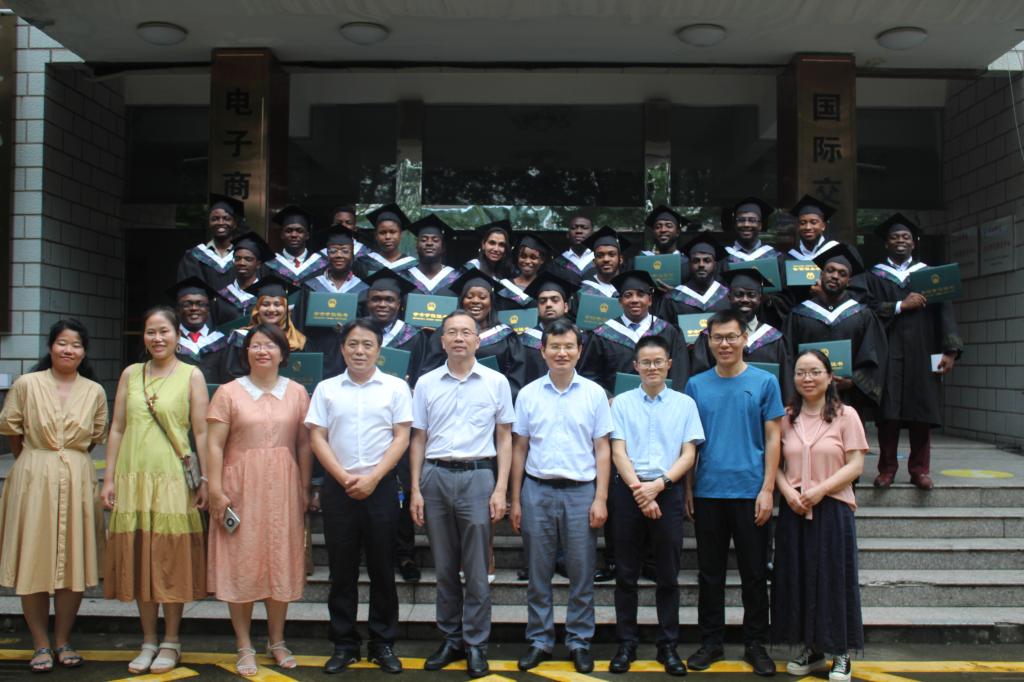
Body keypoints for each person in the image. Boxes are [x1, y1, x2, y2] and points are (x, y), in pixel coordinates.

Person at [101, 306, 209, 675]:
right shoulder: (130, 374)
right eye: (151, 332)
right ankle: (148, 640)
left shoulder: (192, 375)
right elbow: (117, 427)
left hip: (172, 480)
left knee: (170, 559)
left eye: (164, 331)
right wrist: (109, 478)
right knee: (140, 558)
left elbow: (202, 431)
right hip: (133, 478)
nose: (158, 338)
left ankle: (171, 640)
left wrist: (206, 480)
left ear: (178, 335)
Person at [408, 310, 515, 679]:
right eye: (451, 332)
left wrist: (501, 488)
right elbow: (418, 438)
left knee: (477, 569)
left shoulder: (496, 382)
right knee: (444, 567)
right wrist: (416, 489)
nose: (458, 338)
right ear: (442, 341)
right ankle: (451, 638)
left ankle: (476, 643)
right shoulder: (426, 383)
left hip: (478, 476)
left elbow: (505, 437)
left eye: (466, 332)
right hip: (435, 476)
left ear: (477, 340)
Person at [304, 319, 412, 674]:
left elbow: (402, 437)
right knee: (342, 570)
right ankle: (344, 644)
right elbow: (317, 436)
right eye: (353, 344)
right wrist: (342, 476)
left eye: (367, 345)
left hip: (381, 488)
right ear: (342, 348)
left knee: (382, 568)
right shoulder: (327, 389)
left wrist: (374, 478)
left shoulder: (395, 388)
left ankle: (382, 643)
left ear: (379, 350)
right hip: (339, 488)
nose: (360, 351)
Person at [0, 319, 108, 672]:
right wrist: (38, 461)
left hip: (77, 478)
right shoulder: (27, 384)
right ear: (50, 347)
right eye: (62, 343)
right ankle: (40, 643)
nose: (68, 350)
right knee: (32, 559)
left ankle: (62, 639)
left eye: (76, 345)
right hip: (33, 476)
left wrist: (67, 460)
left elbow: (94, 437)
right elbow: (13, 430)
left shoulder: (94, 391)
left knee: (73, 562)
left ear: (84, 352)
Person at [206, 323, 312, 676]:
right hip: (239, 487)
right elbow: (214, 444)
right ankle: (244, 645)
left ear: (283, 353)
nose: (262, 351)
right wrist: (215, 489)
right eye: (255, 345)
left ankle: (277, 641)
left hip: (284, 487)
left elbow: (304, 444)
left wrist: (305, 486)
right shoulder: (229, 392)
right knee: (242, 563)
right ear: (246, 352)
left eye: (270, 345)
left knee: (279, 561)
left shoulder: (297, 392)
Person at [683, 308, 784, 677]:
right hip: (709, 491)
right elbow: (690, 443)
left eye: (731, 337)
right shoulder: (696, 385)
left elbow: (773, 439)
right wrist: (689, 487)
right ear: (708, 342)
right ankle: (711, 642)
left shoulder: (765, 382)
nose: (724, 344)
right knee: (709, 574)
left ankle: (756, 643)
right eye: (717, 338)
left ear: (745, 339)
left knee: (754, 574)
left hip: (750, 491)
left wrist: (768, 489)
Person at [509, 318, 612, 674]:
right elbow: (519, 448)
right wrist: (516, 499)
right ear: (543, 351)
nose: (562, 353)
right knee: (538, 572)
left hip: (581, 492)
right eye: (555, 346)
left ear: (579, 351)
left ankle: (579, 640)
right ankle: (540, 639)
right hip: (537, 490)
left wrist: (601, 498)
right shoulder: (528, 394)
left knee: (582, 573)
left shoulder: (594, 394)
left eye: (569, 346)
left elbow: (602, 448)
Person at [608, 335, 703, 676]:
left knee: (667, 575)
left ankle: (668, 646)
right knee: (626, 574)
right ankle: (626, 644)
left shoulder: (684, 404)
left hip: (668, 490)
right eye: (645, 362)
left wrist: (659, 486)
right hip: (628, 491)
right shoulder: (621, 403)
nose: (652, 367)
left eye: (658, 361)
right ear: (635, 366)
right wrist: (640, 490)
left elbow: (688, 454)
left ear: (669, 365)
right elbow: (617, 451)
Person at [773, 350, 866, 682]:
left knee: (833, 580)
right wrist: (788, 493)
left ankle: (840, 652)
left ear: (829, 377)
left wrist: (820, 490)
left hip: (832, 508)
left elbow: (856, 465)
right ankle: (811, 648)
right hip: (795, 509)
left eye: (814, 372)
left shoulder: (846, 415)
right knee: (797, 579)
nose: (807, 378)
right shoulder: (786, 417)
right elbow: (775, 465)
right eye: (800, 373)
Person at [859, 214, 962, 490]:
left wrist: (950, 351)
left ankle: (919, 470)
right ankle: (887, 469)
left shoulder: (929, 275)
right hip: (888, 351)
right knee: (888, 414)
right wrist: (899, 305)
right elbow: (865, 309)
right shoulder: (873, 277)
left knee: (922, 412)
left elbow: (945, 313)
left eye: (905, 237)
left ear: (914, 243)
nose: (900, 241)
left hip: (924, 350)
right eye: (894, 237)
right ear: (886, 243)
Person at [360, 269, 429, 583]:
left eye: (389, 299)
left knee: (400, 486)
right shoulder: (358, 335)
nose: (382, 304)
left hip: (401, 421)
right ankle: (371, 554)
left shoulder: (414, 336)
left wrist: (410, 386)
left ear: (400, 304)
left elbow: (424, 376)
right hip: (366, 420)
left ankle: (404, 555)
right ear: (367, 302)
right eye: (376, 299)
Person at [784, 243, 888, 423]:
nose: (834, 276)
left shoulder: (863, 315)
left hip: (848, 399)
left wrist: (853, 381)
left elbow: (874, 355)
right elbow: (787, 355)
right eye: (830, 270)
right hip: (806, 397)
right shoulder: (799, 314)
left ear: (849, 281)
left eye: (842, 273)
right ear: (821, 274)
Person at [419, 268, 527, 399]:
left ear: (491, 302)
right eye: (469, 297)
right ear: (461, 301)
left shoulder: (506, 336)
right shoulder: (444, 334)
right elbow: (430, 373)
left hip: (492, 401)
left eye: (483, 297)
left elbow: (515, 380)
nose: (475, 301)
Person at [578, 270, 691, 395]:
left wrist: (671, 398)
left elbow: (679, 373)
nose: (634, 300)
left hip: (661, 401)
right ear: (620, 302)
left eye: (640, 294)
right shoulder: (602, 334)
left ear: (650, 300)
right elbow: (590, 376)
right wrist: (607, 398)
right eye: (628, 295)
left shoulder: (669, 332)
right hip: (616, 403)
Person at [691, 268, 794, 401]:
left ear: (760, 298)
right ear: (729, 297)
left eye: (751, 295)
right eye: (739, 294)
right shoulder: (710, 337)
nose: (745, 299)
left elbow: (786, 385)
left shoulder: (774, 339)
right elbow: (700, 381)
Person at [224, 275, 307, 380]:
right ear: (257, 308)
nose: (271, 309)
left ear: (285, 309)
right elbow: (232, 376)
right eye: (266, 304)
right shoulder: (241, 338)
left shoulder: (298, 340)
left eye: (277, 304)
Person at [521, 272, 580, 385]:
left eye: (555, 300)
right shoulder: (524, 341)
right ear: (538, 309)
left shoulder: (579, 338)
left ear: (566, 307)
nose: (548, 304)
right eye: (542, 301)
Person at [176, 193, 243, 291]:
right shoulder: (194, 256)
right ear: (209, 223)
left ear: (234, 224)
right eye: (215, 219)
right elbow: (188, 290)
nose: (220, 223)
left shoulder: (244, 256)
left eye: (226, 218)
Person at [658, 234, 731, 321]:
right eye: (696, 261)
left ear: (715, 265)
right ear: (689, 264)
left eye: (707, 261)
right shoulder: (673, 297)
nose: (701, 265)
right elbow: (665, 327)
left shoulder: (727, 296)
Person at [170, 276, 228, 384]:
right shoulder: (168, 341)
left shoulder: (222, 342)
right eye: (187, 304)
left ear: (208, 309)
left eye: (200, 304)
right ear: (178, 309)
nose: (194, 308)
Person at [211, 231, 273, 326]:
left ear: (258, 264)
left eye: (248, 259)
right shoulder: (221, 297)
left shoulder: (268, 296)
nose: (242, 263)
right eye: (237, 259)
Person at [264, 205, 328, 287]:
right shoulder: (269, 265)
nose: (294, 235)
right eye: (288, 231)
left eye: (299, 231)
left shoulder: (321, 265)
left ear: (307, 235)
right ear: (282, 235)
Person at [404, 213, 461, 295]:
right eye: (423, 240)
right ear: (416, 246)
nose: (429, 243)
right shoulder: (405, 277)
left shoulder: (456, 278)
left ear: (443, 247)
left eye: (435, 240)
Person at [498, 232, 553, 310]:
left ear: (542, 260)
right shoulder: (505, 286)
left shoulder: (546, 287)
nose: (527, 261)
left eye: (533, 257)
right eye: (523, 256)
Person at [359, 203, 418, 276]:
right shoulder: (365, 263)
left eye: (392, 232)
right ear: (376, 235)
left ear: (400, 235)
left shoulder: (412, 265)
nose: (388, 237)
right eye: (382, 232)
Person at [640, 205, 691, 288]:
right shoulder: (644, 263)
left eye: (669, 226)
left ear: (677, 232)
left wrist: (675, 293)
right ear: (653, 233)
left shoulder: (687, 264)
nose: (663, 230)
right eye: (658, 227)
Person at [786, 195, 841, 262]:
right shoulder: (790, 256)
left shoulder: (835, 251)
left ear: (823, 226)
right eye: (802, 223)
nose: (808, 227)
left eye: (813, 222)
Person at [726, 197, 782, 263]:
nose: (746, 224)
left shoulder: (774, 256)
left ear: (760, 226)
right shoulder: (724, 256)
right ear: (735, 225)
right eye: (741, 220)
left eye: (752, 220)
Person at [545, 213, 595, 286]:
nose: (578, 231)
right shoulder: (557, 263)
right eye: (574, 228)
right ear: (568, 234)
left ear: (592, 234)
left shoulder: (599, 259)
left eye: (584, 228)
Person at [579, 225, 629, 298]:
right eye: (600, 255)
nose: (606, 259)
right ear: (594, 262)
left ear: (620, 259)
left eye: (611, 254)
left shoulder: (629, 289)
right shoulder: (583, 290)